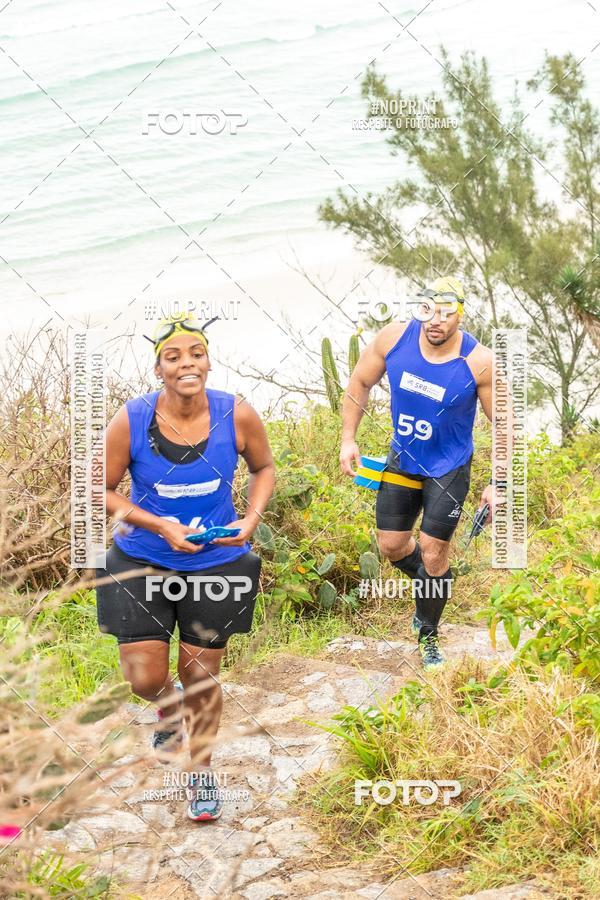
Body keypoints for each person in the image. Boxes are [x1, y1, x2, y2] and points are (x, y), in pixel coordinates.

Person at [96, 312, 275, 821]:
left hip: (217, 562)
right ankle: (166, 711)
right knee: (144, 678)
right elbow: (101, 489)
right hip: (141, 560)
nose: (186, 364)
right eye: (173, 357)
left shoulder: (236, 414)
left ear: (209, 361)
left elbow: (264, 467)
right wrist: (161, 527)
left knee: (200, 676)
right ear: (159, 369)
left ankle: (201, 775)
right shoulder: (131, 419)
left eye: (195, 353)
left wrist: (252, 517)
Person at [340, 277, 497, 670]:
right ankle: (438, 581)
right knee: (391, 546)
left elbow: (506, 425)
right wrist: (348, 438)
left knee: (432, 549)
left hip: (448, 468)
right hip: (403, 461)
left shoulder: (479, 361)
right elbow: (360, 381)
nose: (435, 321)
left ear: (460, 314)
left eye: (446, 313)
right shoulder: (393, 339)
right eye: (428, 310)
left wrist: (498, 484)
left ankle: (427, 633)